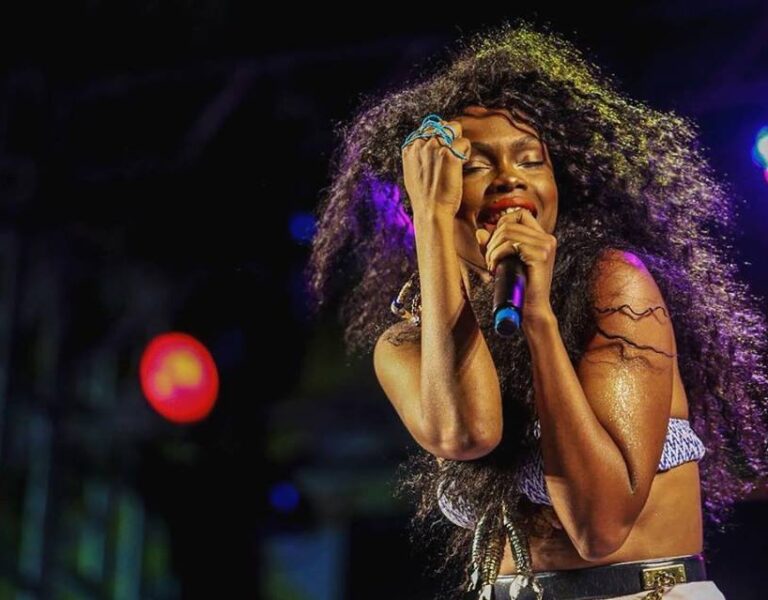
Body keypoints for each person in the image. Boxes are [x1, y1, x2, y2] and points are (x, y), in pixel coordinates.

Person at [305, 19, 768, 600]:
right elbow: (468, 433)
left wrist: (541, 322)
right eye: (473, 165)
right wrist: (433, 220)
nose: (509, 180)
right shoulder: (406, 343)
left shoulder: (614, 285)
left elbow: (599, 526)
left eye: (530, 160)